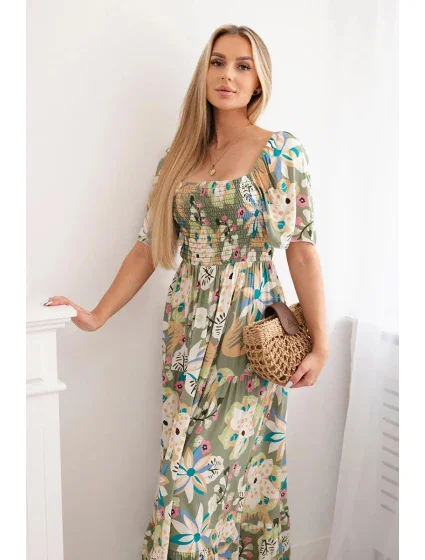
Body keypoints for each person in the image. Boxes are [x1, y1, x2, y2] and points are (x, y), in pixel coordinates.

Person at [45, 24, 328, 560]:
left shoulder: (280, 151)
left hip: (248, 333)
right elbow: (148, 247)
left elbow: (301, 250)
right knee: (183, 464)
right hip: (186, 328)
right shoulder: (176, 158)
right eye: (218, 62)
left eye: (243, 65)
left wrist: (320, 344)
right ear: (203, 72)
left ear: (260, 80)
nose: (228, 75)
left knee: (215, 476)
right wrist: (97, 314)